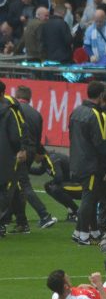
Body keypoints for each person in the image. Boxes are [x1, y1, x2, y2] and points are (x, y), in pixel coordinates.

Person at [9, 86, 57, 232]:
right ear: (29, 98)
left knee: (22, 185)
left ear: (16, 96)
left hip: (18, 152)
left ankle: (44, 215)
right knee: (17, 187)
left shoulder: (13, 110)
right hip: (30, 152)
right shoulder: (36, 114)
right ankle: (21, 222)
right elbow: (37, 138)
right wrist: (39, 152)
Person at [69, 81, 106, 245]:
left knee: (91, 197)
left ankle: (90, 231)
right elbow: (101, 143)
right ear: (101, 96)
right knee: (89, 198)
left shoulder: (76, 111)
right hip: (91, 165)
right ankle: (82, 234)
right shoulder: (97, 115)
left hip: (77, 162)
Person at [0, 86, 26, 238]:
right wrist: (20, 149)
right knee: (4, 189)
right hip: (4, 157)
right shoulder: (9, 113)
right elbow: (15, 136)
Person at [29, 151, 80, 222]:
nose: (33, 159)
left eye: (33, 157)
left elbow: (59, 177)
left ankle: (78, 212)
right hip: (72, 184)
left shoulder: (52, 159)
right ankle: (72, 211)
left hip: (80, 185)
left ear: (38, 154)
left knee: (56, 189)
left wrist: (52, 184)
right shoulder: (46, 160)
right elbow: (40, 171)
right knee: (48, 186)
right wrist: (26, 169)